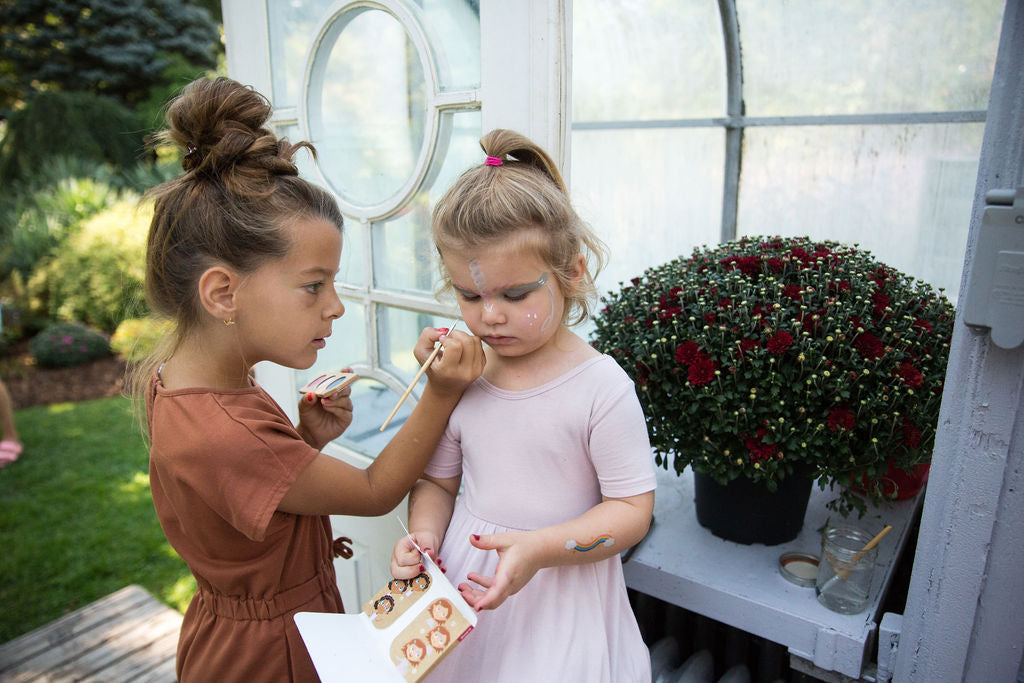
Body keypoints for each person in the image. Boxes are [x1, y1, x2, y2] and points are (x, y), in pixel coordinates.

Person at [130, 77, 484, 683]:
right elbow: (374, 490)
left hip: (241, 636)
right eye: (314, 285)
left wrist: (304, 440)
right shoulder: (223, 429)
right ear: (223, 293)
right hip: (273, 658)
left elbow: (245, 496)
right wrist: (442, 391)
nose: (336, 306)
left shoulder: (191, 385)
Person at [390, 129, 656, 682]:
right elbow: (437, 482)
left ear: (572, 272)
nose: (489, 316)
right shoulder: (464, 375)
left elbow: (632, 511)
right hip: (466, 594)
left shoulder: (601, 389)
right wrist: (425, 535)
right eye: (469, 295)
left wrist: (538, 548)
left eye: (515, 295)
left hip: (561, 597)